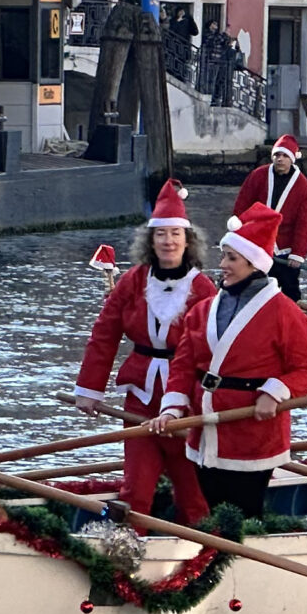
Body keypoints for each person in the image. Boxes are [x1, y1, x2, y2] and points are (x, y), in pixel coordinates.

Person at [151, 203, 307, 517]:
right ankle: (210, 558)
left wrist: (275, 392)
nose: (222, 265)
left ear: (254, 263)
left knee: (244, 511)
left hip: (252, 431)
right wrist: (173, 407)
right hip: (206, 428)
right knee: (211, 511)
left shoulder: (286, 313)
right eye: (223, 257)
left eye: (231, 258)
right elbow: (184, 363)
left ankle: (238, 560)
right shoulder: (204, 310)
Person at [75, 181, 216, 519]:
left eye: (175, 234)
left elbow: (214, 350)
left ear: (188, 240)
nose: (168, 241)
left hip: (188, 404)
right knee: (135, 491)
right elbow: (104, 334)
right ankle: (130, 555)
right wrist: (89, 389)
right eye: (161, 234)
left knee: (193, 495)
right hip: (139, 398)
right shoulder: (133, 281)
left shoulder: (203, 287)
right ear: (151, 241)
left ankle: (201, 558)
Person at [229, 134, 307, 303]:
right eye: (277, 155)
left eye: (284, 156)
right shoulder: (258, 176)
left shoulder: (302, 185)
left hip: (284, 249)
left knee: (290, 290)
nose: (280, 160)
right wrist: (238, 233)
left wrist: (297, 254)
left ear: (292, 159)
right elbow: (242, 204)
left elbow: (304, 223)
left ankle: (292, 318)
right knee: (253, 286)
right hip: (258, 243)